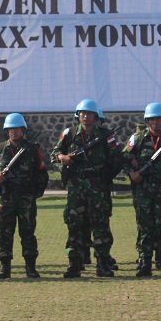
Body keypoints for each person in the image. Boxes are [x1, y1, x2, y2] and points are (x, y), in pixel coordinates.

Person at [52, 99, 124, 278]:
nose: (85, 116)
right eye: (82, 113)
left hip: (97, 187)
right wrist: (63, 158)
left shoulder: (106, 135)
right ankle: (74, 264)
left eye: (89, 113)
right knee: (74, 225)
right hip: (76, 187)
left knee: (100, 225)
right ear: (78, 116)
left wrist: (105, 177)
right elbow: (54, 153)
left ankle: (102, 263)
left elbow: (117, 159)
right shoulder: (69, 134)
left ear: (95, 115)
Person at [123, 103, 161, 277]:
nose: (155, 122)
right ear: (147, 120)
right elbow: (123, 158)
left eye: (158, 118)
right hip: (143, 189)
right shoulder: (138, 138)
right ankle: (145, 262)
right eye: (151, 119)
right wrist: (132, 173)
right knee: (144, 226)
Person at [0, 113, 48, 280]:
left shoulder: (32, 149)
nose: (13, 132)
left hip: (26, 198)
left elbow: (42, 173)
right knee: (4, 233)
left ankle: (30, 267)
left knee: (28, 232)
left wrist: (35, 194)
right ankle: (4, 267)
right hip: (6, 198)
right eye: (10, 129)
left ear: (23, 129)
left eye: (16, 128)